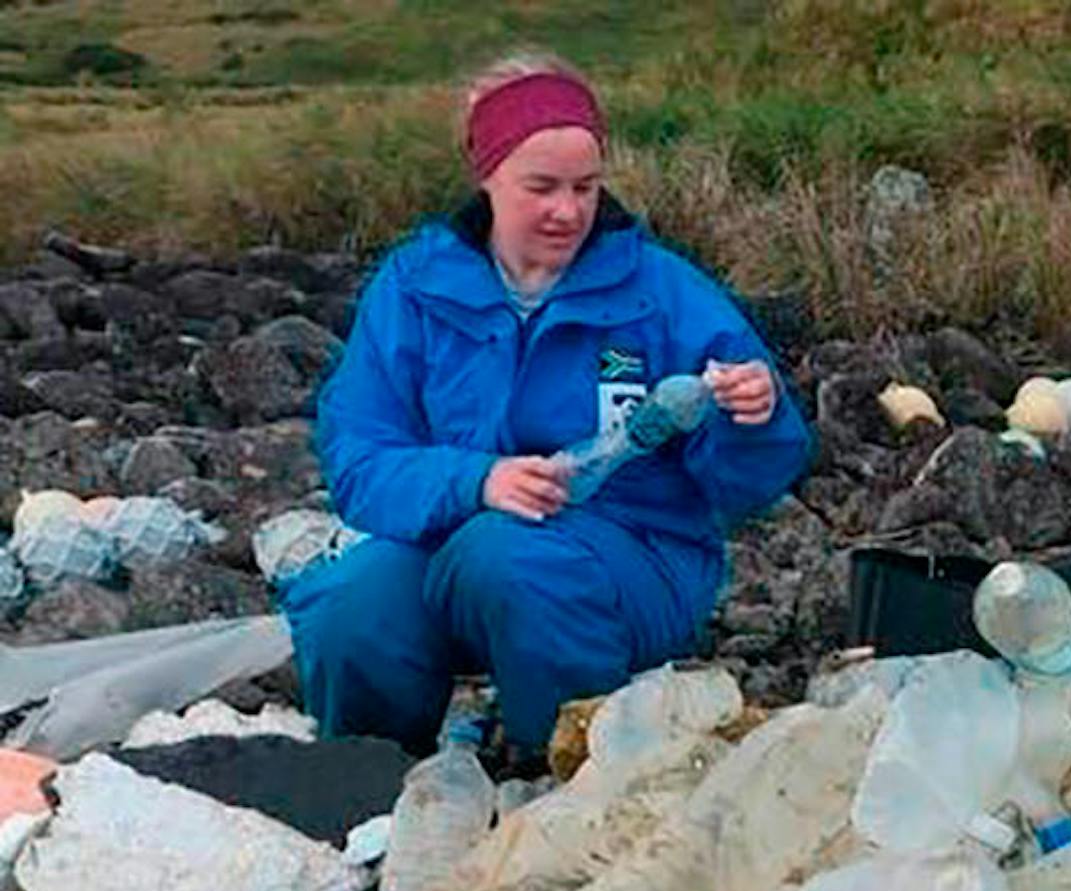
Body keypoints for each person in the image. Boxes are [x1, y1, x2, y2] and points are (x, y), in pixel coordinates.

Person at [282, 51, 812, 768]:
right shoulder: (413, 287)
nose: (567, 210)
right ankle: (375, 786)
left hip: (633, 564)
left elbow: (747, 484)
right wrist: (476, 480)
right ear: (488, 175)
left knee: (507, 555)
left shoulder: (662, 291)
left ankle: (569, 774)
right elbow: (359, 457)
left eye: (585, 187)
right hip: (452, 545)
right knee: (350, 599)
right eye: (542, 187)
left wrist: (756, 415)